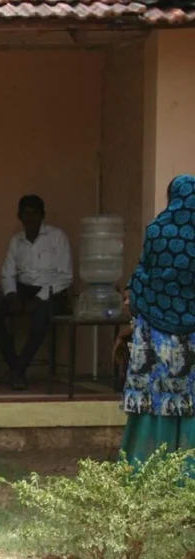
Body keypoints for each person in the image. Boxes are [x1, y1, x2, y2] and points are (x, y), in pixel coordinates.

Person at [120, 174, 195, 467]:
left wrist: (138, 296)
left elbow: (144, 271)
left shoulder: (156, 229)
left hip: (154, 328)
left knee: (153, 396)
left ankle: (145, 466)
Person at [0, 195, 73, 391]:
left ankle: (19, 369)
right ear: (19, 216)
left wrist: (38, 299)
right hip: (22, 290)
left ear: (42, 215)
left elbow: (65, 276)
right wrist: (12, 296)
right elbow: (8, 273)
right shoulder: (16, 241)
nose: (30, 218)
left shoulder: (57, 237)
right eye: (25, 213)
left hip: (52, 292)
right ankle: (15, 365)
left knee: (40, 318)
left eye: (34, 213)